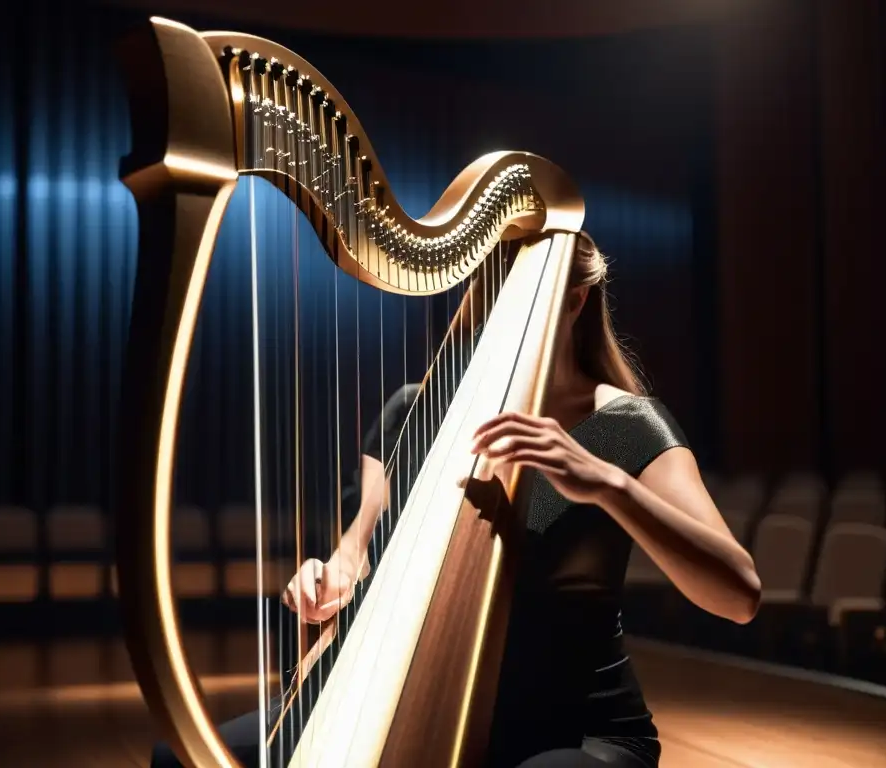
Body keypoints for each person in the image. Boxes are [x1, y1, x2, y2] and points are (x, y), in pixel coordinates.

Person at [152, 233, 762, 767]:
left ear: (573, 303)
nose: (486, 314)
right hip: (405, 696)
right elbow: (353, 556)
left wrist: (608, 483)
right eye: (481, 292)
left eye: (510, 297)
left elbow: (739, 595)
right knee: (180, 756)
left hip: (576, 730)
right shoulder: (413, 410)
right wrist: (325, 580)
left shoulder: (629, 425)